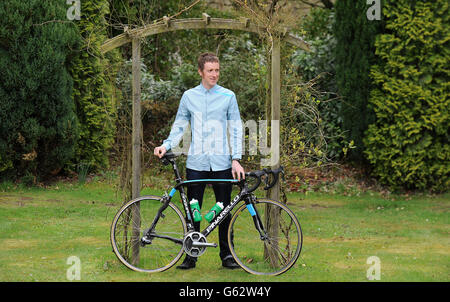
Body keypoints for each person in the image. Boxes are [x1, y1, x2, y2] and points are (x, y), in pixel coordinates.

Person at [153, 52, 245, 270]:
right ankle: (191, 255)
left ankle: (227, 255)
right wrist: (165, 145)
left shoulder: (228, 96)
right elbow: (179, 126)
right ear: (200, 72)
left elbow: (236, 129)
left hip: (222, 162)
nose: (215, 74)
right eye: (210, 70)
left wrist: (236, 159)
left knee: (224, 210)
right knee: (193, 209)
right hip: (196, 163)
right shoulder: (189, 96)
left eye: (217, 70)